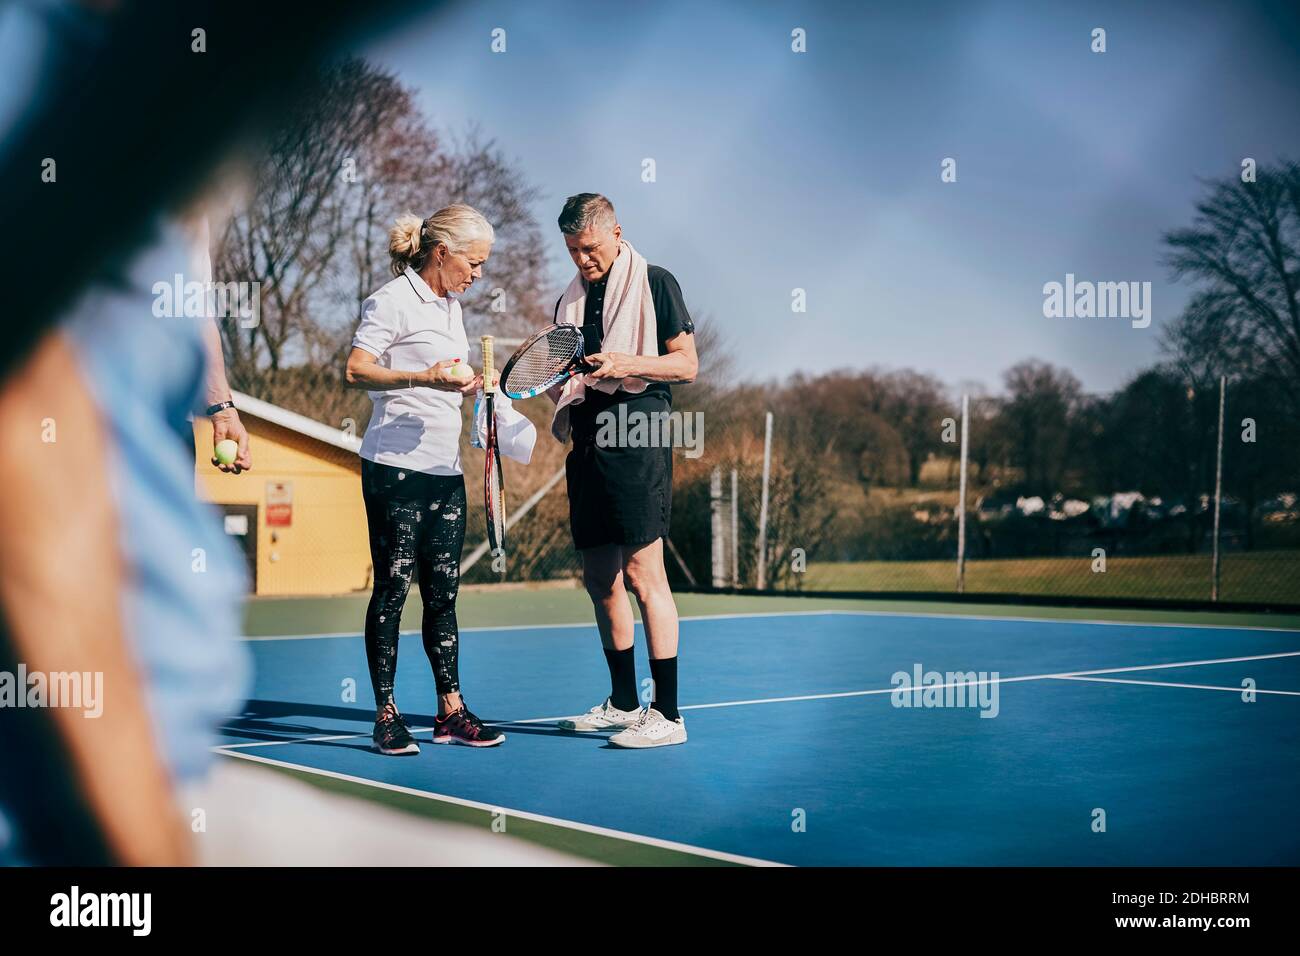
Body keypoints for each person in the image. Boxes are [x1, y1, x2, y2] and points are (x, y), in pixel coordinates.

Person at [346, 205, 531, 754]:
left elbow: (444, 381)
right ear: (442, 252)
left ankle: (451, 711)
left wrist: (473, 384)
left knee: (443, 597)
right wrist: (423, 377)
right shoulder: (391, 299)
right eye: (473, 263)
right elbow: (357, 368)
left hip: (444, 473)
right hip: (394, 472)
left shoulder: (452, 308)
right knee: (393, 591)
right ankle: (385, 714)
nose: (478, 274)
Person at [549, 194, 698, 748]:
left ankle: (669, 714)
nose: (582, 260)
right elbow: (565, 366)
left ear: (616, 232)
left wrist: (625, 362)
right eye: (571, 251)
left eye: (589, 247)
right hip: (588, 434)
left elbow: (686, 364)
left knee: (642, 574)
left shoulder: (656, 281)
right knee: (599, 578)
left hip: (639, 429)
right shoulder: (570, 299)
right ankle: (623, 703)